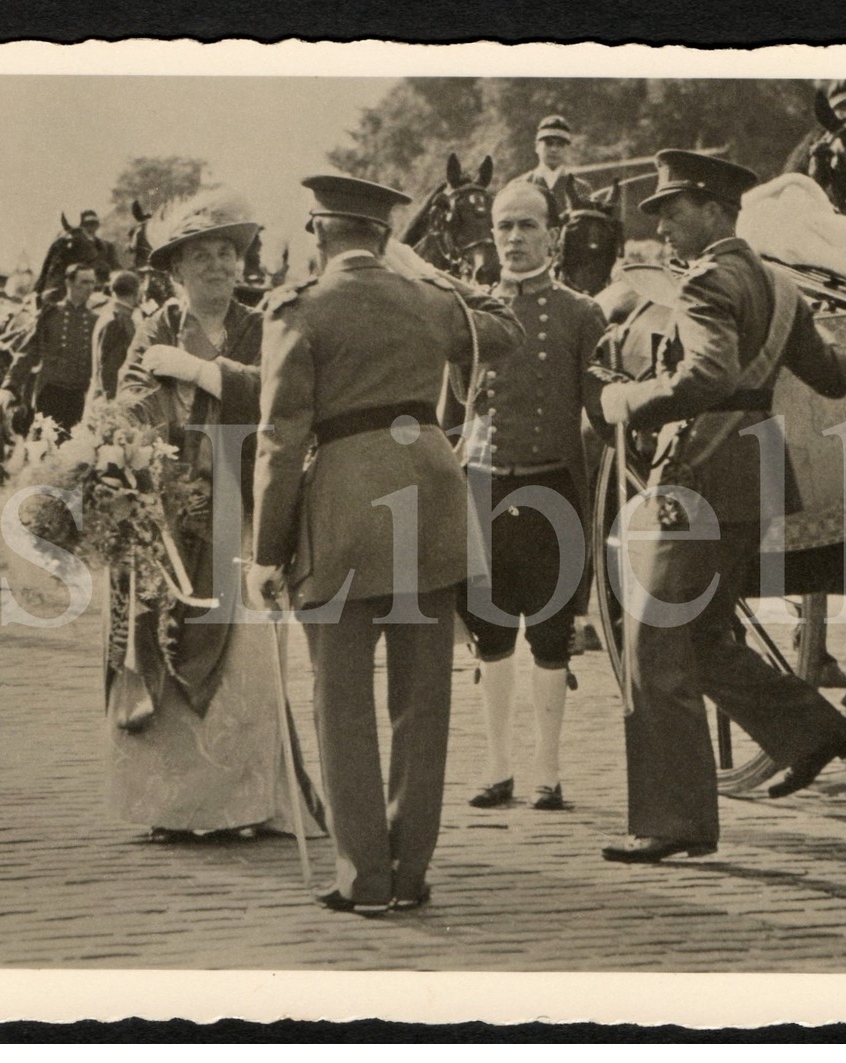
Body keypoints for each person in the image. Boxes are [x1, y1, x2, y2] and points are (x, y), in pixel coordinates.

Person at [250, 174, 523, 914]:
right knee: (422, 698)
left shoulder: (297, 309)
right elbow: (505, 324)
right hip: (431, 498)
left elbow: (279, 440)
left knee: (340, 698)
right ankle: (410, 872)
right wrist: (427, 272)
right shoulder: (428, 300)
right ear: (383, 236)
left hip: (342, 506)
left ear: (317, 232)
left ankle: (363, 876)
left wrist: (266, 549)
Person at [584, 150, 846, 864]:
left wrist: (626, 399)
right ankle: (810, 731)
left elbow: (705, 373)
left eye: (672, 213)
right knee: (704, 639)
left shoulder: (708, 279)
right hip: (759, 477)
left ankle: (673, 820)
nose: (663, 231)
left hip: (701, 475)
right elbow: (832, 376)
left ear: (713, 210)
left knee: (652, 645)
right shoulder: (777, 282)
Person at [110, 190, 325, 842]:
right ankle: (178, 807)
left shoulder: (260, 325)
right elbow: (130, 398)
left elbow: (277, 396)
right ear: (176, 269)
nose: (217, 267)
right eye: (201, 256)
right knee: (166, 639)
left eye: (227, 255)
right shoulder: (155, 327)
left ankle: (244, 803)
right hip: (173, 507)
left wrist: (201, 373)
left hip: (242, 501)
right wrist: (143, 451)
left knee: (243, 652)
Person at [459, 181, 608, 813]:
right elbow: (454, 406)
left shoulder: (580, 313)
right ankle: (497, 767)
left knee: (550, 634)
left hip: (553, 487)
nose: (514, 239)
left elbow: (600, 412)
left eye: (527, 226)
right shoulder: (473, 310)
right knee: (489, 632)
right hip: (486, 483)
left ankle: (547, 768)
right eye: (504, 228)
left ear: (552, 234)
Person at [0, 262, 98, 434]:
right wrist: (10, 385)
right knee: (43, 448)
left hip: (79, 398)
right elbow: (28, 352)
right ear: (69, 283)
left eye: (92, 282)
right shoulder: (51, 315)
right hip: (50, 395)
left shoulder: (95, 320)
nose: (90, 288)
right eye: (84, 282)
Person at [523, 115, 595, 208]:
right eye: (548, 143)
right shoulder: (521, 186)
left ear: (567, 149)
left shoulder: (582, 189)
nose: (554, 149)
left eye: (560, 145)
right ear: (537, 146)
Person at [91, 269, 142, 401]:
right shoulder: (117, 321)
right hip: (114, 398)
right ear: (136, 292)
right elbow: (109, 368)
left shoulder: (112, 315)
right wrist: (112, 400)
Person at [78, 208, 124, 283]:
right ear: (82, 227)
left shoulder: (107, 246)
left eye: (93, 224)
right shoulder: (76, 247)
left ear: (97, 226)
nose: (90, 227)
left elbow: (115, 265)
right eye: (87, 224)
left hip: (103, 283)